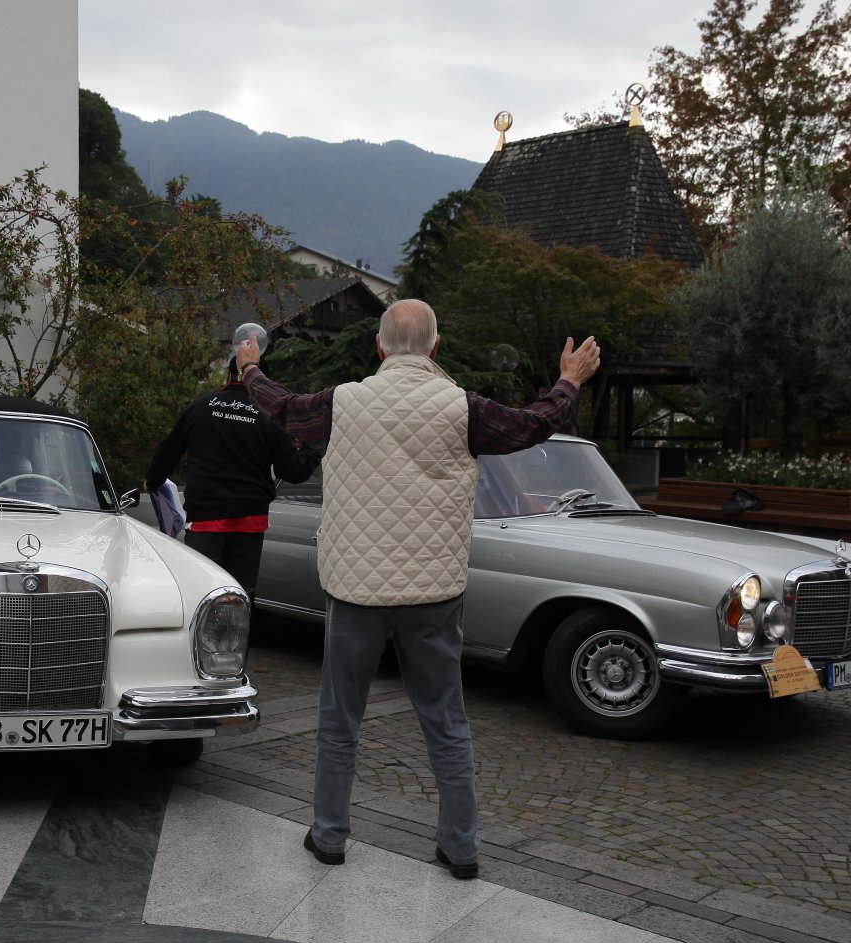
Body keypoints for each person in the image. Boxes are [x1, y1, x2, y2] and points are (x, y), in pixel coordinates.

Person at [235, 299, 600, 879]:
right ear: (435, 347)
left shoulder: (341, 403)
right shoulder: (464, 408)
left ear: (379, 346)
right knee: (446, 723)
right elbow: (533, 424)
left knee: (339, 719)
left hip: (355, 590)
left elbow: (280, 407)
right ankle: (461, 848)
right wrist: (568, 380)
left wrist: (250, 366)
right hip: (434, 593)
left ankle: (329, 836)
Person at [144, 324, 320, 599]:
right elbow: (293, 471)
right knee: (238, 597)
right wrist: (314, 445)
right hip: (250, 523)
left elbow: (168, 451)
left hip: (206, 521)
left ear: (227, 376)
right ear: (261, 381)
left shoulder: (200, 407)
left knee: (201, 596)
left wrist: (152, 482)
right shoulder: (270, 417)